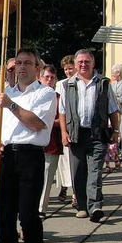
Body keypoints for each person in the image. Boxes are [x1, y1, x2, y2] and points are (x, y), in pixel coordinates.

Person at [0, 47, 57, 243]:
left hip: (30, 156)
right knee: (4, 218)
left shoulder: (46, 93)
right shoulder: (3, 94)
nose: (23, 67)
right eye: (19, 63)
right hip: (7, 156)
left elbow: (37, 124)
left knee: (27, 216)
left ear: (37, 68)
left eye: (28, 63)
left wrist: (12, 106)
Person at [59, 49, 120, 223]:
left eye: (87, 61)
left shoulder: (103, 83)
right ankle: (82, 206)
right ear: (76, 64)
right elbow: (62, 111)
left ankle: (95, 206)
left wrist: (115, 131)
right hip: (76, 134)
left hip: (97, 133)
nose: (83, 65)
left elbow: (113, 109)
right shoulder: (67, 84)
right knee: (78, 171)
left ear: (93, 63)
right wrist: (64, 132)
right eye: (80, 62)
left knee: (94, 171)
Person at [38, 65, 62, 219]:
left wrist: (46, 122)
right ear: (40, 78)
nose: (49, 80)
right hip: (33, 143)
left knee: (47, 177)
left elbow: (64, 119)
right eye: (46, 77)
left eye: (52, 78)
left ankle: (41, 208)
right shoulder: (34, 95)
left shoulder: (59, 97)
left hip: (52, 143)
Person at [55, 55, 76, 205]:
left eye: (70, 68)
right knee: (63, 161)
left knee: (74, 160)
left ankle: (76, 191)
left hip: (75, 124)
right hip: (63, 125)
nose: (68, 71)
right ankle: (64, 187)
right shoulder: (60, 84)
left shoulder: (79, 82)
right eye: (66, 69)